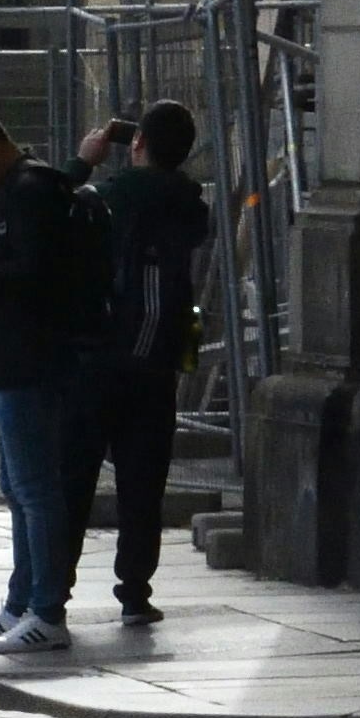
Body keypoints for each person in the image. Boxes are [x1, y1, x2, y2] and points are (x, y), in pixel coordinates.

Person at [0, 95, 107, 660]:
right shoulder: (21, 189)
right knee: (20, 489)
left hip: (31, 365)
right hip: (14, 366)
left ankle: (46, 610)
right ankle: (21, 603)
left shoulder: (28, 192)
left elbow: (33, 275)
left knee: (35, 492)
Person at [80, 100, 215, 633]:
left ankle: (51, 595)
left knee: (77, 476)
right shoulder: (190, 206)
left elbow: (66, 215)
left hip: (105, 356)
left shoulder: (112, 197)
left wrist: (86, 161)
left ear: (136, 145)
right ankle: (135, 591)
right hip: (159, 361)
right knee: (144, 483)